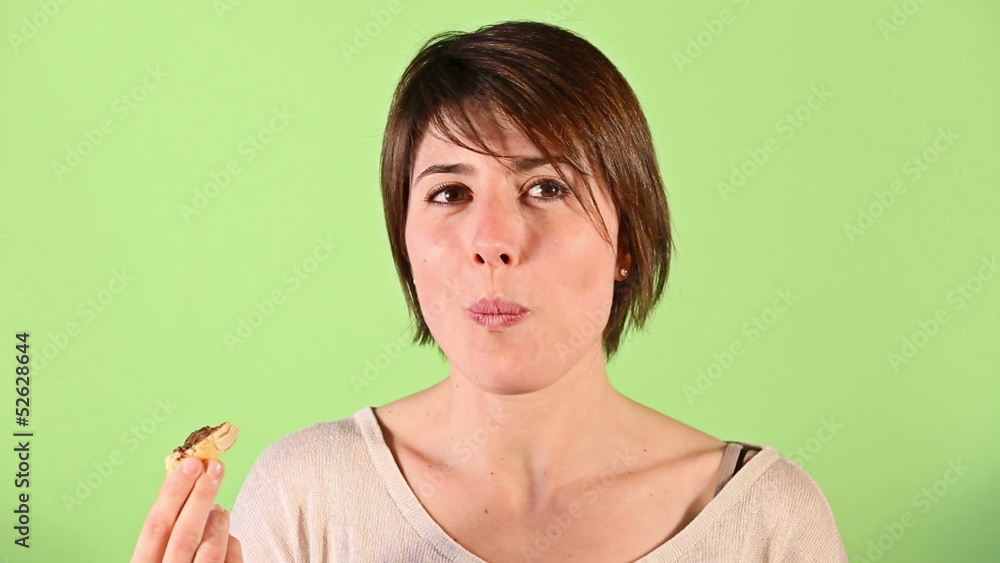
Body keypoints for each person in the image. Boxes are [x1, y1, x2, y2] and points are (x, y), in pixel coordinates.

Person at [131, 20, 849, 562]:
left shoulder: (765, 520)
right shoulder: (307, 495)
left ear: (628, 242)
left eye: (547, 187)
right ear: (405, 241)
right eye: (450, 193)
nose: (492, 241)